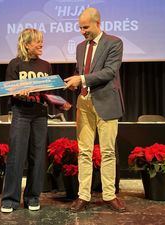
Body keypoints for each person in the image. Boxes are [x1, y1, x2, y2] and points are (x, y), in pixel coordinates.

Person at [64, 7, 126, 212]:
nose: (82, 31)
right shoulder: (81, 47)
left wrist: (81, 79)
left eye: (86, 27)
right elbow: (80, 71)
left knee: (107, 151)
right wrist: (75, 81)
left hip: (106, 103)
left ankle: (109, 195)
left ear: (98, 23)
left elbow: (109, 72)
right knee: (84, 152)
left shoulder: (114, 43)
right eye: (80, 27)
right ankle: (83, 196)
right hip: (84, 103)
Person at [0, 28, 52, 213]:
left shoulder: (46, 65)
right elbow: (8, 90)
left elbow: (46, 93)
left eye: (41, 41)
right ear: (26, 44)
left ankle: (32, 197)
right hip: (21, 113)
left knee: (37, 157)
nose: (41, 44)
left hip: (40, 115)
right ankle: (10, 199)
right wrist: (18, 92)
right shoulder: (15, 64)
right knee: (16, 156)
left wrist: (58, 102)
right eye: (37, 41)